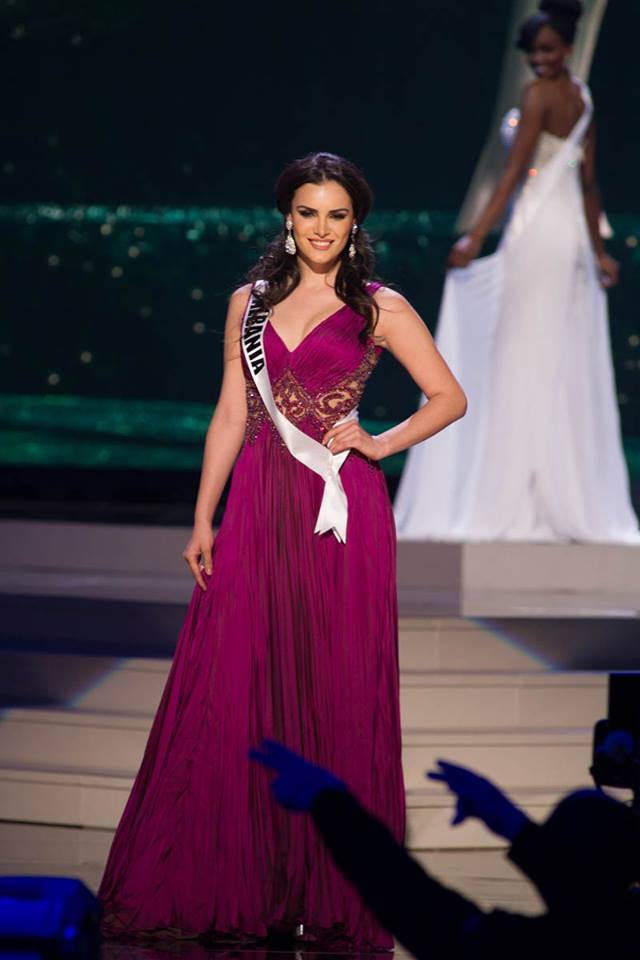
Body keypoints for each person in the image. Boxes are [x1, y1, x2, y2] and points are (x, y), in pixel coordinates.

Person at [98, 152, 466, 949]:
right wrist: (204, 517)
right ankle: (244, 883)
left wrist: (380, 442)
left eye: (336, 215)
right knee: (242, 679)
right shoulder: (250, 304)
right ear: (286, 219)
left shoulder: (380, 307)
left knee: (333, 682)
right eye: (308, 213)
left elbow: (450, 397)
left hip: (339, 511)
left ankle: (331, 892)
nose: (321, 229)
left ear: (355, 224)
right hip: (259, 505)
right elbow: (233, 413)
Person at [395, 0, 639, 543]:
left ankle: (517, 493)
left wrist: (474, 236)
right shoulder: (583, 98)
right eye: (532, 53)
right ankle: (544, 488)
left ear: (568, 47)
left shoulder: (537, 96)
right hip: (568, 237)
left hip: (537, 235)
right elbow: (588, 184)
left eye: (548, 50)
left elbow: (512, 175)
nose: (539, 60)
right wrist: (598, 250)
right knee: (552, 354)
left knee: (520, 352)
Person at [251, 741, 640, 959]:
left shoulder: (537, 950)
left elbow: (415, 903)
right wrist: (518, 828)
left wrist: (329, 801)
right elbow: (583, 888)